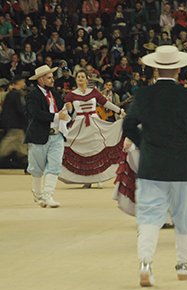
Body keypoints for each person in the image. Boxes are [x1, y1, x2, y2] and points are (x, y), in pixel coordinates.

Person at [122, 45, 187, 287]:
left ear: (155, 68)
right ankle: (184, 266)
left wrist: (146, 145)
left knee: (149, 214)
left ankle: (145, 263)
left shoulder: (143, 95)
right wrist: (185, 143)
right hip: (183, 165)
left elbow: (128, 127)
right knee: (185, 214)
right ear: (179, 69)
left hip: (152, 165)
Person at [59, 69, 126, 188]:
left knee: (97, 148)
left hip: (94, 123)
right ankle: (86, 180)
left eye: (82, 77)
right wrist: (67, 107)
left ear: (86, 79)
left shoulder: (94, 92)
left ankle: (99, 177)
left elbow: (106, 103)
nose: (80, 78)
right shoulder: (71, 94)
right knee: (79, 149)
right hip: (79, 124)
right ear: (76, 79)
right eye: (78, 77)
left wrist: (119, 111)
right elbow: (66, 112)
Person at [24, 65, 74, 208]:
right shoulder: (31, 95)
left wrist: (68, 110)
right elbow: (36, 114)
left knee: (55, 166)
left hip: (57, 135)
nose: (53, 80)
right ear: (41, 79)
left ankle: (48, 195)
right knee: (37, 168)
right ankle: (39, 195)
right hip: (39, 135)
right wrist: (58, 115)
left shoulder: (55, 95)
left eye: (52, 77)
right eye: (49, 78)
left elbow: (63, 112)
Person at [0, 76, 28, 169]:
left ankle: (27, 166)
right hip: (15, 125)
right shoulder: (16, 94)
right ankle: (27, 166)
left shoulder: (11, 94)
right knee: (7, 147)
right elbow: (20, 109)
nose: (24, 84)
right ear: (19, 82)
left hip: (13, 124)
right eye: (23, 81)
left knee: (21, 147)